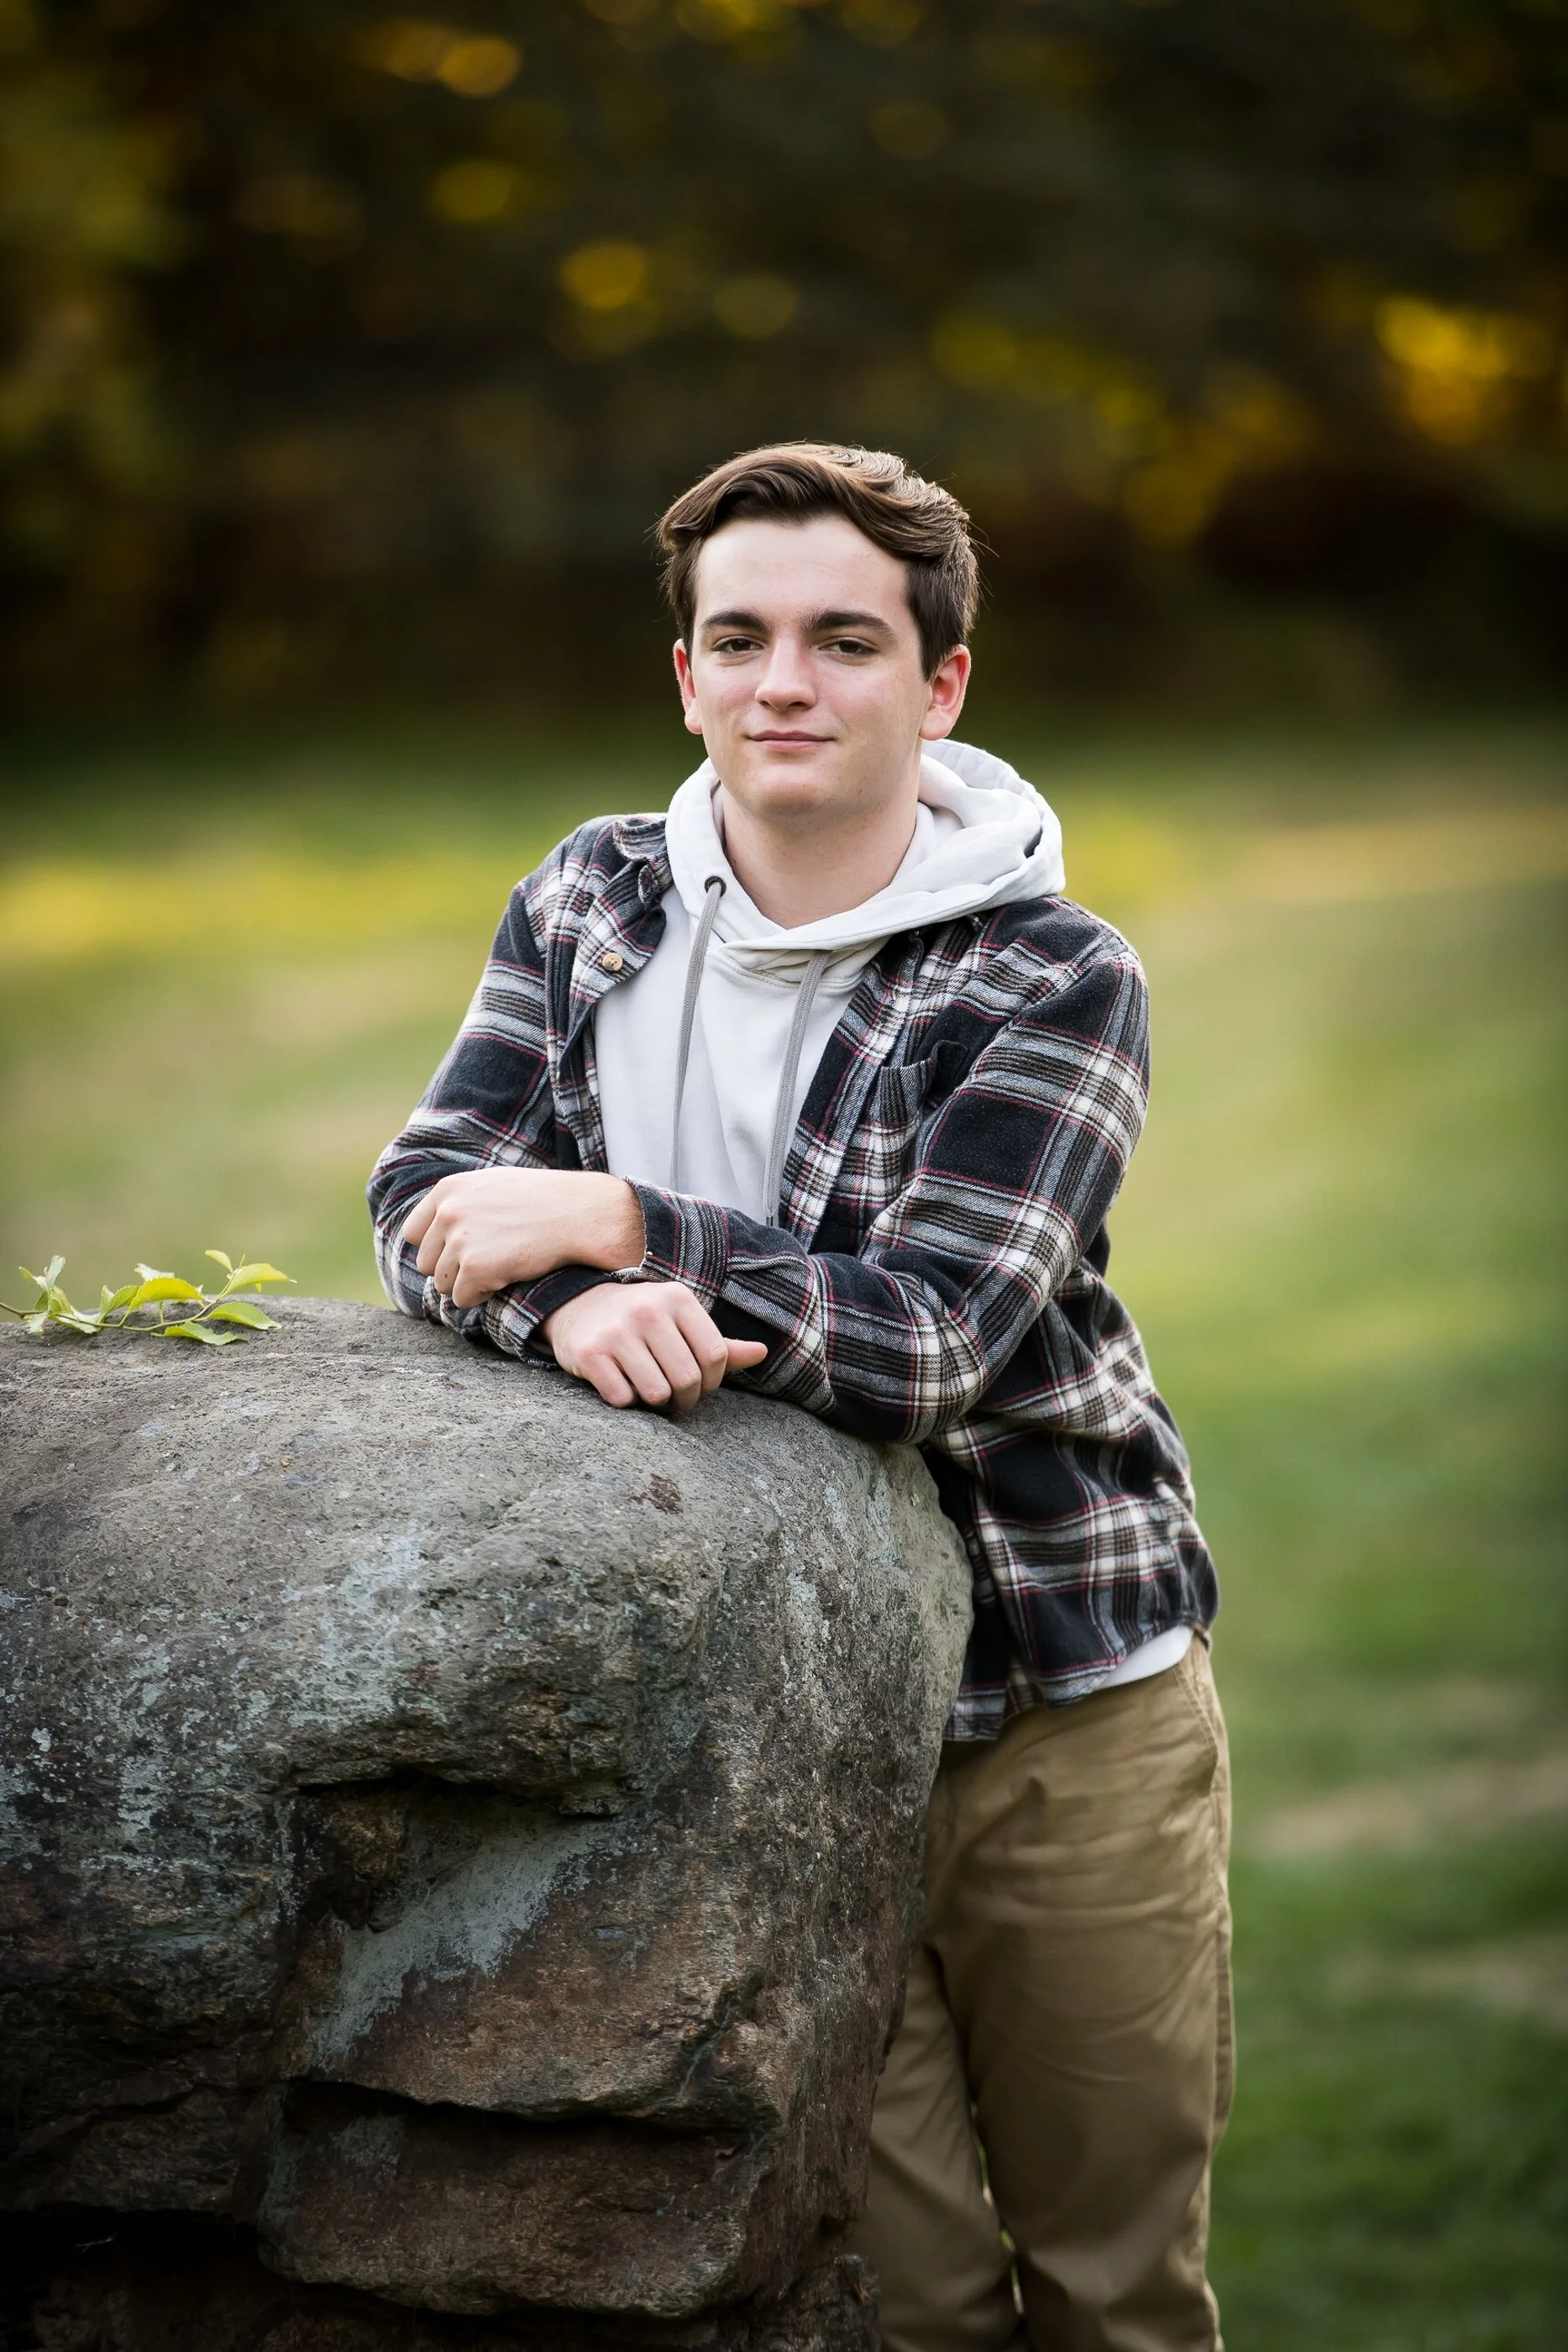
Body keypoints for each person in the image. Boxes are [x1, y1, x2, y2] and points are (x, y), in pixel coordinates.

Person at [367, 442, 1231, 2352]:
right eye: (738, 637)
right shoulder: (593, 894)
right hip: (773, 1724)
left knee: (1113, 2291)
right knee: (897, 2300)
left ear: (940, 684)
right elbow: (426, 1201)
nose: (785, 681)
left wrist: (613, 1216)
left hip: (1056, 1711)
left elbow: (932, 1336)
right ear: (683, 674)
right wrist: (570, 1312)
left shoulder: (1050, 969)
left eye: (846, 639)